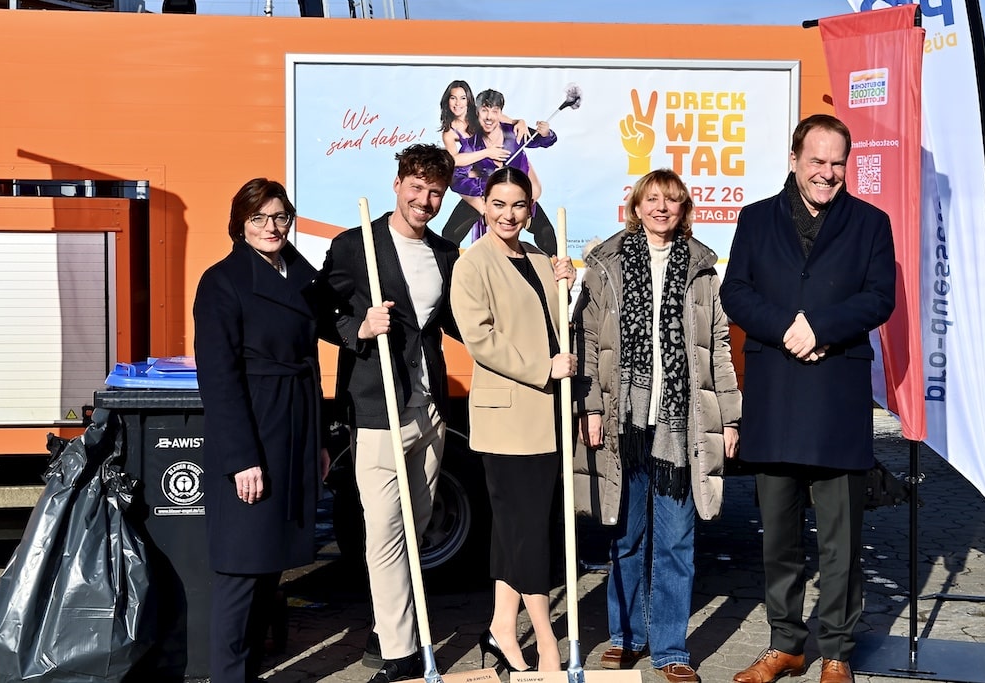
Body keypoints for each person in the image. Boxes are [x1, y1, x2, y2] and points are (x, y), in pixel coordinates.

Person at [720, 114, 895, 683]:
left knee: (842, 541)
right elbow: (736, 291)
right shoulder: (755, 218)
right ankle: (786, 646)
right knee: (779, 538)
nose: (826, 173)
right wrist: (786, 328)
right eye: (816, 161)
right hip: (775, 399)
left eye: (836, 163)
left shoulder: (871, 223)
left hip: (836, 401)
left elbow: (879, 297)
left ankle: (838, 652)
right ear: (794, 159)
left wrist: (819, 327)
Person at [572, 169, 741, 683]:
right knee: (626, 537)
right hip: (625, 422)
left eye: (671, 199)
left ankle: (670, 648)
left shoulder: (702, 270)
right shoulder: (606, 265)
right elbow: (588, 342)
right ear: (637, 206)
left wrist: (729, 419)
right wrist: (592, 409)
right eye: (653, 199)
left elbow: (718, 352)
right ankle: (626, 636)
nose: (661, 208)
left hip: (681, 427)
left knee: (675, 541)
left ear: (684, 207)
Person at [306, 143, 460, 683]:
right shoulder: (356, 246)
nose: (425, 200)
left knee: (415, 533)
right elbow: (319, 311)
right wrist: (358, 330)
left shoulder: (444, 253)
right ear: (398, 184)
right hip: (377, 409)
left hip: (428, 410)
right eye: (416, 187)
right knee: (384, 534)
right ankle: (399, 653)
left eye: (436, 191)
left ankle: (385, 623)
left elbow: (464, 320)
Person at [193, 178, 328, 683]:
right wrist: (241, 459)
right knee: (241, 569)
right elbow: (219, 378)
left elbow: (320, 342)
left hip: (293, 429)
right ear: (240, 224)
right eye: (259, 218)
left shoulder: (299, 274)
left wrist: (316, 443)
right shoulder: (222, 281)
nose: (271, 227)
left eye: (279, 217)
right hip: (253, 433)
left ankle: (247, 672)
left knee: (271, 565)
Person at [449, 166, 576, 673]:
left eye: (518, 205)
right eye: (498, 204)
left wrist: (568, 287)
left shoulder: (543, 261)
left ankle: (503, 626)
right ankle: (545, 638)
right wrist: (542, 368)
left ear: (530, 210)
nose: (508, 214)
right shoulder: (472, 265)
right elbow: (480, 338)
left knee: (515, 530)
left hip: (546, 417)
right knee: (529, 534)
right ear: (483, 207)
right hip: (507, 421)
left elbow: (555, 328)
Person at [442, 88, 559, 255]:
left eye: (495, 111)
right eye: (484, 110)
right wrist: (485, 187)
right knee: (449, 234)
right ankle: (449, 274)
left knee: (546, 232)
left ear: (500, 113)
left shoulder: (514, 133)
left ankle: (554, 273)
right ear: (477, 112)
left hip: (517, 196)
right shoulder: (472, 145)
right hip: (485, 198)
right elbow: (456, 180)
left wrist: (546, 133)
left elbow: (542, 140)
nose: (489, 117)